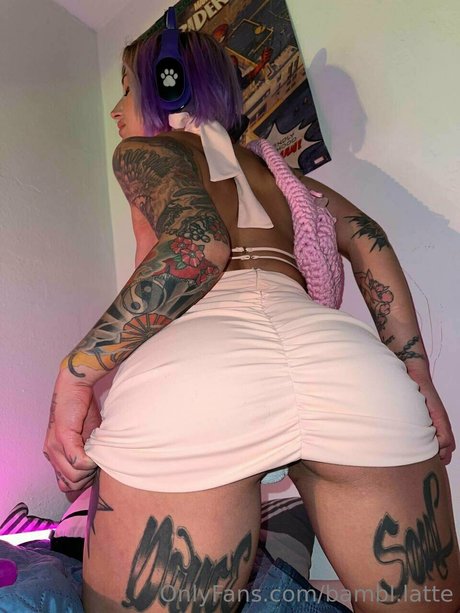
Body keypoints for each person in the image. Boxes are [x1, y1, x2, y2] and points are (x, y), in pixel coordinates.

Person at [43, 11, 460, 613]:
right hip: (346, 365)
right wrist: (416, 375)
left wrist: (77, 373)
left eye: (127, 90)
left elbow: (199, 247)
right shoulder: (276, 176)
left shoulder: (146, 152)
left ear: (168, 87)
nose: (115, 110)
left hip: (198, 374)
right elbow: (368, 236)